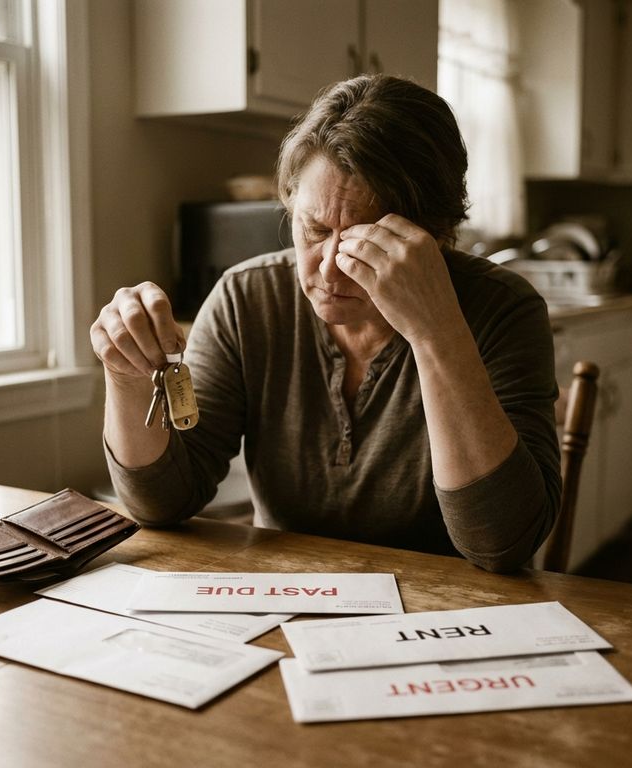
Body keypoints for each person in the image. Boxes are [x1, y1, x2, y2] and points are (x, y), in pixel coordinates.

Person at [91, 74, 560, 573]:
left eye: (365, 241)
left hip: (450, 607)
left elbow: (503, 543)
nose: (329, 266)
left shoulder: (505, 310)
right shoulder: (246, 298)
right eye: (314, 230)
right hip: (285, 598)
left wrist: (435, 332)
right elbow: (161, 503)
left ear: (435, 234)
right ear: (290, 203)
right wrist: (125, 378)